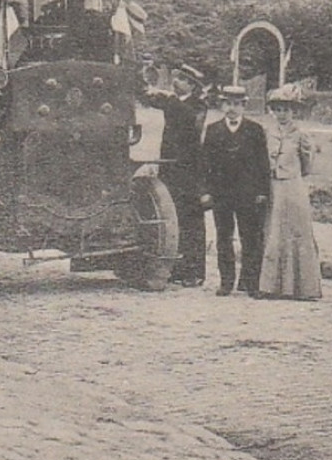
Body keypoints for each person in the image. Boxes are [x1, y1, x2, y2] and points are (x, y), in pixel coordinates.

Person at [138, 60, 207, 286]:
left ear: (192, 85)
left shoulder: (198, 105)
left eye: (181, 79)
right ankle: (178, 268)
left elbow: (190, 121)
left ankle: (195, 272)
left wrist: (169, 99)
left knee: (191, 220)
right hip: (171, 167)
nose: (175, 81)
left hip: (189, 171)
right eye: (176, 78)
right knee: (175, 216)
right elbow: (146, 97)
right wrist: (144, 80)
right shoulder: (174, 102)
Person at [200, 85, 272, 297]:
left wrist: (262, 191)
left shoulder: (255, 130)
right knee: (224, 237)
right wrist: (205, 191)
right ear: (222, 105)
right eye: (227, 104)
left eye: (236, 104)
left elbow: (263, 164)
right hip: (221, 194)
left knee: (251, 237)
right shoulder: (213, 130)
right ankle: (226, 282)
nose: (231, 108)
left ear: (243, 106)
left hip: (248, 193)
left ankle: (251, 283)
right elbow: (204, 164)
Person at [258, 85, 322, 301]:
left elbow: (307, 165)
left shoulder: (301, 135)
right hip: (273, 188)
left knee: (296, 233)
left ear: (294, 111)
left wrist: (292, 174)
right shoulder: (268, 133)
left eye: (286, 109)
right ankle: (270, 286)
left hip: (293, 189)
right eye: (278, 109)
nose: (282, 114)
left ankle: (302, 287)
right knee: (273, 232)